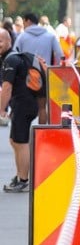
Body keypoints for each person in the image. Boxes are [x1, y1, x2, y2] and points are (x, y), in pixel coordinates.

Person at [0, 29, 45, 192]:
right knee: (15, 141)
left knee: (20, 142)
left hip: (22, 104)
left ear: (10, 42)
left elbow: (7, 88)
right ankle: (21, 173)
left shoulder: (10, 61)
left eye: (1, 41)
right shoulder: (18, 57)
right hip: (28, 104)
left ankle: (23, 179)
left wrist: (1, 109)